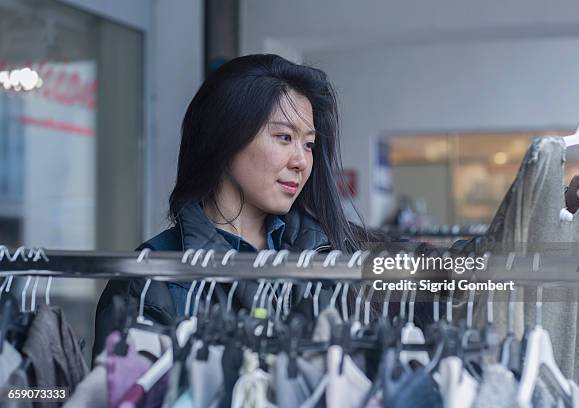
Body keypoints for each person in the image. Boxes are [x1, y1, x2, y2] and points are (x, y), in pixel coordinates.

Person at [92, 54, 370, 357]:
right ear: (225, 137)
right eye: (284, 137)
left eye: (308, 144)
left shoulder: (328, 255)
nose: (301, 161)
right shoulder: (149, 281)